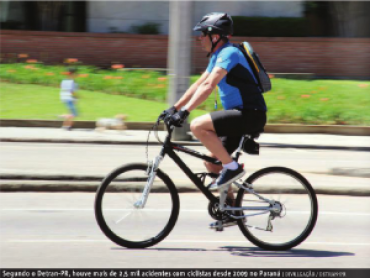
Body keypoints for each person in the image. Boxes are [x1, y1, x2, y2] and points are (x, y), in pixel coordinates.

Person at [161, 12, 267, 228]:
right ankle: (231, 210)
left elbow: (210, 86)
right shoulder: (217, 56)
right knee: (212, 162)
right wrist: (174, 108)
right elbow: (199, 84)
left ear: (215, 36)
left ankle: (233, 168)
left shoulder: (229, 53)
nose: (199, 39)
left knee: (198, 126)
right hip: (240, 115)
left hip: (250, 113)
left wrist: (186, 113)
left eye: (202, 35)